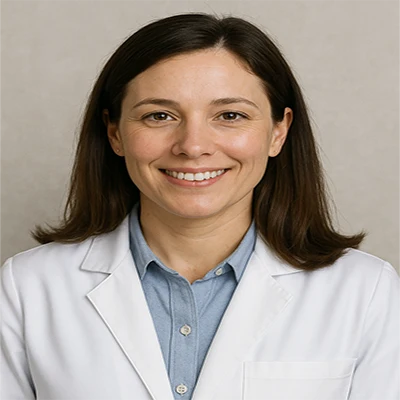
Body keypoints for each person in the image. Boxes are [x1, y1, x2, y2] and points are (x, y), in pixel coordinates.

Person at [0, 13, 399, 400]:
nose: (193, 146)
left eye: (230, 115)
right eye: (159, 115)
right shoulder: (28, 287)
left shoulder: (365, 291)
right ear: (115, 132)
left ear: (279, 132)